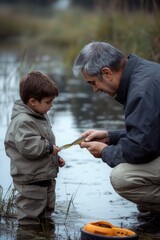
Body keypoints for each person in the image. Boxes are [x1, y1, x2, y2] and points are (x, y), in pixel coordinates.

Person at [72, 41, 160, 233]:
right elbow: (151, 133)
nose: (94, 89)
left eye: (92, 83)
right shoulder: (145, 72)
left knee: (123, 177)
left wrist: (105, 151)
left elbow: (139, 149)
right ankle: (153, 216)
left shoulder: (141, 90)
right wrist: (109, 136)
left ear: (107, 73)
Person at [4, 71, 65, 228]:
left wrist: (55, 158)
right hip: (30, 179)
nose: (51, 105)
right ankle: (27, 234)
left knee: (47, 210)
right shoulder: (23, 121)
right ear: (32, 101)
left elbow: (44, 142)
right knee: (29, 216)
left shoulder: (39, 115)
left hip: (44, 176)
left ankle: (45, 231)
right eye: (48, 102)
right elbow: (28, 147)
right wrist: (49, 148)